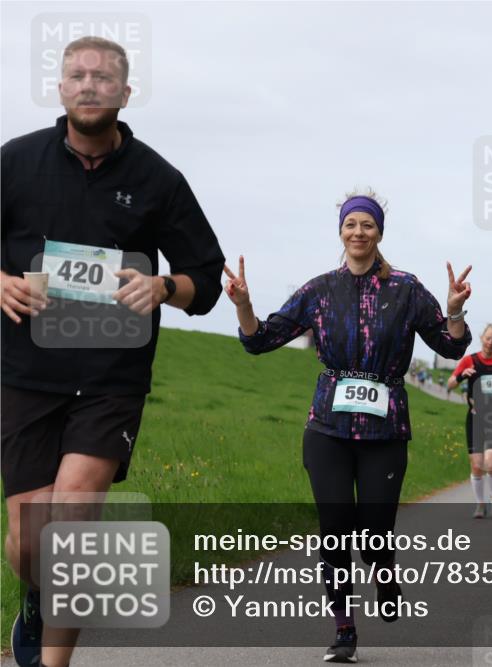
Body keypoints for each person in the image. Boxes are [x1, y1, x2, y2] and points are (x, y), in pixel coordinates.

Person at [1, 36, 225, 667]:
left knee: (70, 524)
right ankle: (38, 596)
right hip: (25, 375)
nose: (89, 84)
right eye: (77, 74)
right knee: (27, 542)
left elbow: (204, 278)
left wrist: (164, 286)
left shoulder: (159, 179)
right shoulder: (14, 163)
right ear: (61, 87)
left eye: (104, 77)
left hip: (111, 378)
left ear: (126, 94)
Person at [224, 190, 471, 663]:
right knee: (334, 529)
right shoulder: (319, 290)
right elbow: (261, 340)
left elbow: (450, 347)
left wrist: (455, 310)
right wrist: (243, 305)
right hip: (328, 428)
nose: (359, 232)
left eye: (368, 225)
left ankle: (384, 570)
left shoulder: (406, 288)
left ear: (380, 233)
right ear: (341, 231)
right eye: (351, 224)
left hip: (385, 431)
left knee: (375, 532)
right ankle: (344, 629)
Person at [448, 324, 492, 518]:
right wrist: (462, 375)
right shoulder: (469, 361)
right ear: (481, 337)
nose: (490, 342)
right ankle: (480, 504)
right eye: (487, 338)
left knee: (491, 464)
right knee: (477, 466)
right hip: (475, 419)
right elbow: (450, 383)